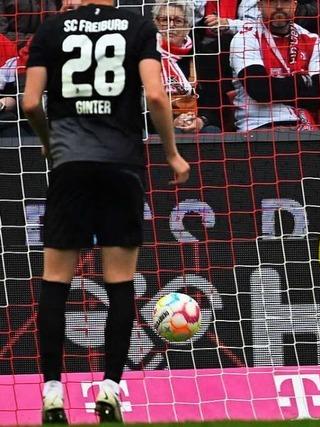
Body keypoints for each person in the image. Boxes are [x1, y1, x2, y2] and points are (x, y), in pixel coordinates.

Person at [22, 0, 190, 422]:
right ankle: (111, 388)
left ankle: (53, 391)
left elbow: (28, 103)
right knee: (119, 283)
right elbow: (154, 93)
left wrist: (48, 143)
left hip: (70, 165)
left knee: (56, 281)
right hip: (122, 165)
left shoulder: (50, 29)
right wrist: (171, 153)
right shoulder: (137, 25)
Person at [228, 0, 320, 131]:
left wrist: (278, 87)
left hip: (307, 126)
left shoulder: (312, 40)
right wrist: (304, 81)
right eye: (271, 2)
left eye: (285, 1)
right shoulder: (245, 38)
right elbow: (260, 91)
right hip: (260, 125)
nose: (279, 7)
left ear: (294, 5)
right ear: (260, 6)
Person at [153, 0, 221, 134]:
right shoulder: (146, 55)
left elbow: (215, 104)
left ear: (187, 27)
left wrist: (201, 120)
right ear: (155, 23)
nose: (170, 26)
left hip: (195, 122)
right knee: (174, 133)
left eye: (178, 21)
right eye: (164, 20)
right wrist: (171, 122)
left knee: (211, 131)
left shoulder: (202, 57)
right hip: (156, 124)